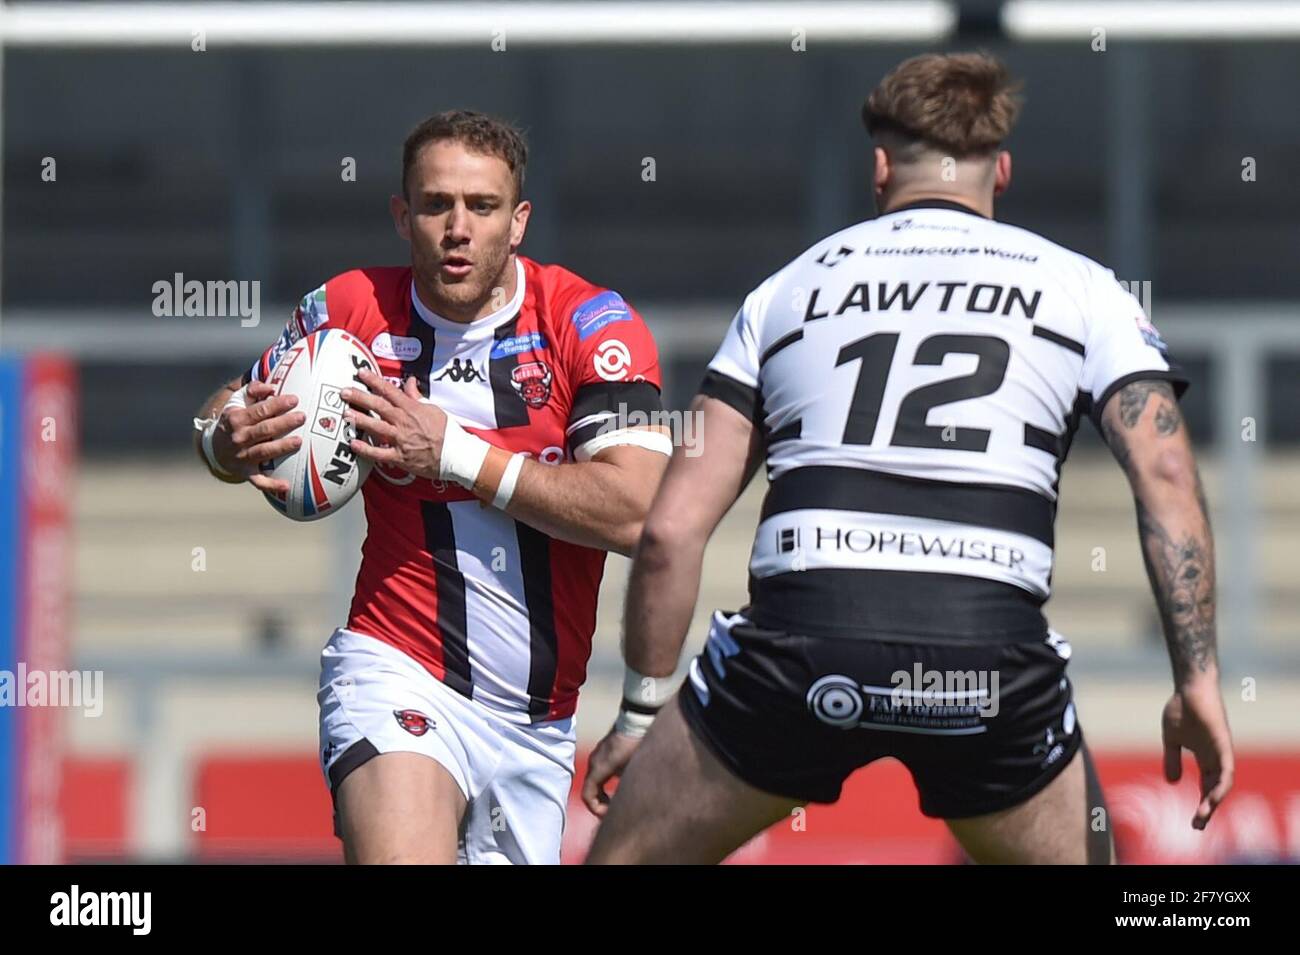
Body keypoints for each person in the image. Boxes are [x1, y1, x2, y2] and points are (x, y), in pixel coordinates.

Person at [582, 52, 1233, 865]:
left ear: (880, 167)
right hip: (986, 658)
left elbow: (669, 532)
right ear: (1001, 170)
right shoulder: (1088, 291)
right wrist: (1199, 679)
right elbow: (1165, 475)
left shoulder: (784, 291)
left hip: (800, 647)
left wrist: (640, 713)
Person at [191, 110, 671, 864]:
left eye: (481, 207)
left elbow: (640, 512)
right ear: (400, 214)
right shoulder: (350, 310)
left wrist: (454, 453)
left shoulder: (588, 323)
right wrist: (222, 437)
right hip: (396, 668)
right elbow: (238, 407)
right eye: (435, 204)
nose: (457, 228)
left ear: (518, 222)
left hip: (536, 724)